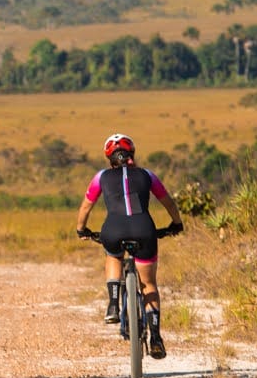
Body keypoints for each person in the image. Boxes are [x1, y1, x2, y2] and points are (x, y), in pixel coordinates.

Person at [75, 133, 183, 359]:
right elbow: (168, 202)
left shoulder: (101, 177)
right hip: (145, 229)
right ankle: (155, 337)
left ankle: (113, 304)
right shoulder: (147, 175)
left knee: (113, 256)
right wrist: (176, 223)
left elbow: (85, 208)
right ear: (132, 154)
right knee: (149, 284)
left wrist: (81, 230)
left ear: (109, 158)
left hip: (112, 230)